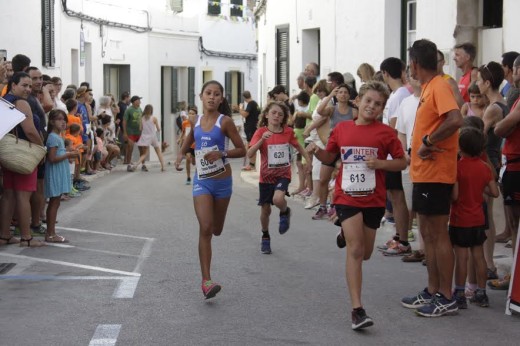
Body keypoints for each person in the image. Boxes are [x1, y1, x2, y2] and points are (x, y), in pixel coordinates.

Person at [310, 81, 406, 330]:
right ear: (358, 101)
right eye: (368, 101)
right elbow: (330, 158)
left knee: (366, 253)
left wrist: (381, 164)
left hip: (373, 199)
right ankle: (357, 310)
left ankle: (344, 231)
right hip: (347, 197)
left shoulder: (385, 133)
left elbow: (402, 162)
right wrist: (314, 151)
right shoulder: (342, 129)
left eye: (378, 104)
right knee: (355, 250)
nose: (372, 107)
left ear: (383, 108)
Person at [401, 39, 463, 317]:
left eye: (409, 63)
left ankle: (447, 296)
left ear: (415, 63)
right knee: (427, 233)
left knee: (438, 235)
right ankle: (432, 290)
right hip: (425, 173)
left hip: (436, 174)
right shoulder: (428, 88)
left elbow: (455, 119)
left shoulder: (438, 85)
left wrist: (428, 140)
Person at [174, 80, 246, 299]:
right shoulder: (194, 121)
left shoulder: (225, 123)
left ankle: (207, 276)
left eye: (216, 94)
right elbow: (188, 143)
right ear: (201, 96)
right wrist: (181, 156)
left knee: (216, 229)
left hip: (222, 183)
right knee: (205, 227)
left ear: (221, 99)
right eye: (208, 93)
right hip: (202, 181)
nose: (212, 97)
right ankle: (206, 281)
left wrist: (222, 154)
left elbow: (242, 149)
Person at [247, 101, 311, 254]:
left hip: (283, 174)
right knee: (265, 210)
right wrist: (262, 139)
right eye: (274, 113)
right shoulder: (260, 132)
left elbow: (299, 146)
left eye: (280, 114)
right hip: (266, 177)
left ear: (284, 118)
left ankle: (284, 211)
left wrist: (308, 160)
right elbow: (249, 154)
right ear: (267, 114)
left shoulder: (288, 132)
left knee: (278, 199)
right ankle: (265, 236)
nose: (276, 116)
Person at [450, 127, 499, 308]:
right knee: (479, 257)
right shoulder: (485, 168)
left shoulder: (457, 167)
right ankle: (481, 292)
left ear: (460, 147)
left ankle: (460, 293)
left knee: (461, 257)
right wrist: (480, 188)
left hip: (459, 218)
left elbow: (454, 196)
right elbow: (494, 192)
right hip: (478, 218)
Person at [0, 72, 45, 247]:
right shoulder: (22, 103)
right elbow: (31, 131)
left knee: (8, 195)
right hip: (24, 154)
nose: (28, 88)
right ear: (13, 85)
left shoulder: (4, 101)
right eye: (24, 85)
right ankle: (27, 237)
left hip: (7, 153)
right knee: (23, 195)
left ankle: (4, 235)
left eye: (29, 85)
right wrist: (41, 149)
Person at [476, 61, 508, 280]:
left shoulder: (493, 109)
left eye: (479, 80)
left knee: (485, 216)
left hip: (489, 162)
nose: (477, 83)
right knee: (488, 215)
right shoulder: (503, 104)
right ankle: (489, 264)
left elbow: (479, 139)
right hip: (495, 162)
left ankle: (488, 264)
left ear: (487, 83)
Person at [378, 57, 412, 256]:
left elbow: (394, 125)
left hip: (394, 155)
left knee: (398, 198)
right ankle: (399, 235)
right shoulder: (397, 94)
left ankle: (403, 239)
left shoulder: (399, 95)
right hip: (392, 155)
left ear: (385, 73)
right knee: (394, 196)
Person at [491, 55, 520, 290]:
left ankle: (515, 278)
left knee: (515, 223)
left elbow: (501, 127)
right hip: (511, 164)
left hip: (516, 166)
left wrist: (502, 126)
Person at [309, 84, 357, 220]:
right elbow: (319, 110)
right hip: (331, 147)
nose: (342, 94)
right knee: (323, 178)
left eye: (345, 92)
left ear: (348, 95)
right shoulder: (332, 109)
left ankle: (337, 206)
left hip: (347, 149)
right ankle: (323, 206)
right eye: (340, 92)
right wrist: (330, 95)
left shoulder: (353, 112)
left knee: (343, 180)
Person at [44, 110, 79, 243]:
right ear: (52, 121)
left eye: (64, 119)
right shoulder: (53, 137)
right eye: (59, 119)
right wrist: (68, 155)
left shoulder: (59, 136)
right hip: (55, 171)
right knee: (54, 202)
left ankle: (51, 232)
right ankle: (50, 234)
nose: (63, 122)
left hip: (59, 170)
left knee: (56, 202)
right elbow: (52, 158)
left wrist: (68, 153)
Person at [130, 104, 166, 172]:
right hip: (153, 136)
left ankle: (136, 165)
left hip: (144, 137)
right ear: (151, 110)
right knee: (158, 151)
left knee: (144, 154)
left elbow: (140, 129)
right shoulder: (154, 118)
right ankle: (163, 167)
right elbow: (158, 129)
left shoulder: (142, 118)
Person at [237, 91, 260, 171]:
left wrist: (240, 109)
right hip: (253, 127)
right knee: (250, 145)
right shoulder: (255, 104)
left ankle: (251, 165)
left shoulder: (251, 104)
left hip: (251, 128)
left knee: (251, 146)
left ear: (244, 97)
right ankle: (251, 164)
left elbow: (245, 114)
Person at [123, 95, 143, 171]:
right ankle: (128, 164)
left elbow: (142, 120)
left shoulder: (140, 109)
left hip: (139, 132)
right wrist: (125, 133)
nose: (140, 102)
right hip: (130, 131)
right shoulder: (129, 110)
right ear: (134, 101)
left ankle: (142, 164)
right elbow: (124, 121)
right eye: (139, 100)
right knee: (130, 147)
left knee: (141, 148)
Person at [179, 106, 197, 184]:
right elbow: (183, 132)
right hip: (188, 144)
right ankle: (188, 177)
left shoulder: (198, 123)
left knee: (194, 162)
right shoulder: (185, 123)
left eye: (193, 114)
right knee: (188, 158)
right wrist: (180, 139)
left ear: (196, 115)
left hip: (196, 145)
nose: (190, 115)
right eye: (189, 113)